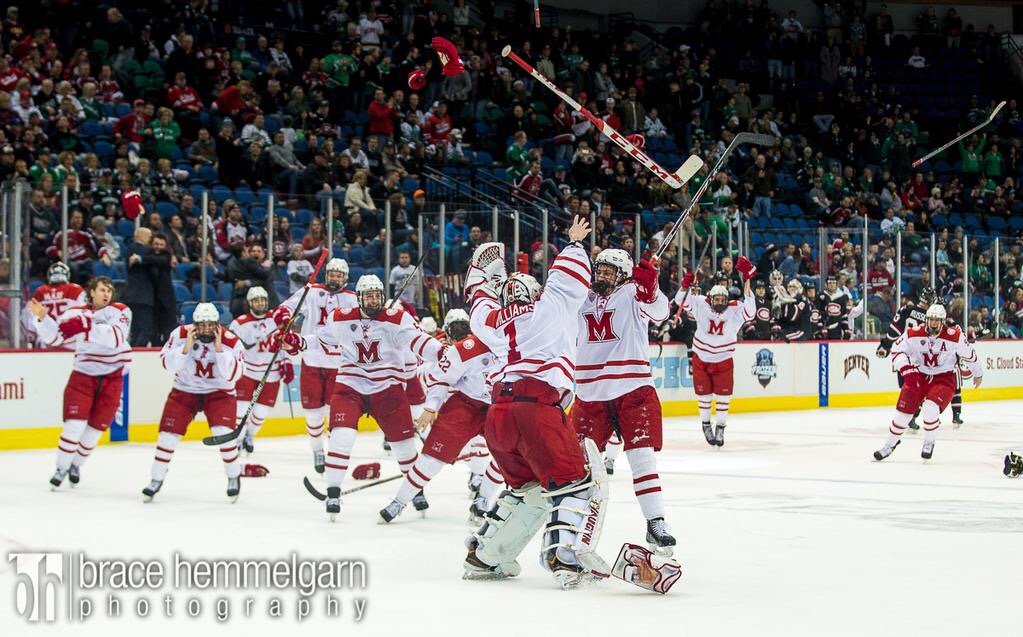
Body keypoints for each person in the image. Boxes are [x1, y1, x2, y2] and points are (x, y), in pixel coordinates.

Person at [462, 217, 611, 588]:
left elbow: (475, 297)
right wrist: (575, 243)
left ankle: (485, 555)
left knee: (526, 489)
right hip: (536, 408)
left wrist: (483, 276)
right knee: (573, 484)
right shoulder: (550, 306)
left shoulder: (492, 320)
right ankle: (563, 556)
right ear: (534, 292)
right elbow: (568, 277)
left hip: (497, 417)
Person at [278, 274, 444, 521]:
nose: (374, 299)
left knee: (404, 446)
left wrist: (444, 352)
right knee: (340, 438)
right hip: (350, 386)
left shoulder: (397, 319)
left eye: (377, 295)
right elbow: (321, 340)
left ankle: (415, 490)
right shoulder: (341, 318)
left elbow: (420, 342)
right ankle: (333, 492)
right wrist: (299, 342)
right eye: (369, 295)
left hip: (387, 389)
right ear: (359, 298)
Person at [569, 249, 675, 555]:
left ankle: (655, 522)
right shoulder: (581, 297)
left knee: (642, 457)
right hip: (589, 394)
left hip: (632, 388)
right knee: (577, 466)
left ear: (623, 275)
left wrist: (650, 288)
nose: (601, 275)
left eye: (609, 271)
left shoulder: (632, 293)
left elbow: (660, 311)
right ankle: (570, 531)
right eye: (599, 269)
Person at [379, 309, 505, 524]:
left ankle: (482, 499)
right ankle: (399, 502)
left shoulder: (515, 343)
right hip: (466, 405)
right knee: (432, 459)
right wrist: (430, 408)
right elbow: (438, 379)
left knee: (509, 454)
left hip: (501, 405)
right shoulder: (463, 350)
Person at [27, 277, 131, 488]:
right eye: (102, 289)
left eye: (109, 290)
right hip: (83, 374)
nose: (106, 294)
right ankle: (61, 468)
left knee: (95, 429)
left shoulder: (120, 311)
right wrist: (43, 319)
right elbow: (56, 339)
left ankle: (76, 464)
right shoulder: (73, 313)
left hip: (113, 376)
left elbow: (116, 339)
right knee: (73, 425)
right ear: (91, 292)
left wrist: (87, 326)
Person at [145, 303, 246, 502]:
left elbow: (233, 375)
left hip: (219, 392)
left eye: (210, 324)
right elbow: (167, 364)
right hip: (185, 389)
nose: (206, 329)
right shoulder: (180, 334)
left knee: (223, 434)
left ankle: (233, 475)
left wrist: (219, 350)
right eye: (202, 324)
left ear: (217, 324)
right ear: (195, 324)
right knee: (167, 436)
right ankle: (156, 478)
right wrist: (185, 348)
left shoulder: (230, 341)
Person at [873, 304, 982, 462]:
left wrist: (978, 373)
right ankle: (889, 445)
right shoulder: (914, 333)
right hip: (918, 376)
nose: (933, 323)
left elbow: (969, 355)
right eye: (930, 319)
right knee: (902, 415)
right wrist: (907, 370)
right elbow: (897, 350)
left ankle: (929, 442)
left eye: (937, 320)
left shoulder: (954, 335)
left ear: (943, 322)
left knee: (931, 409)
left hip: (944, 378)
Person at [278, 258, 358, 473]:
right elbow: (285, 307)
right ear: (326, 275)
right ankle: (317, 451)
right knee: (313, 413)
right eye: (332, 273)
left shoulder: (352, 299)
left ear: (345, 278)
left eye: (339, 275)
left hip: (339, 365)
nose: (335, 278)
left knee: (335, 413)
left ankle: (333, 453)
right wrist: (285, 317)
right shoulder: (311, 292)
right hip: (312, 360)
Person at [675, 256, 757, 446]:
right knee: (703, 395)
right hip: (701, 356)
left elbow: (751, 312)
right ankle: (705, 424)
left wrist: (747, 281)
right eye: (717, 298)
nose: (720, 302)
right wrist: (684, 286)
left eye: (722, 299)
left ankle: (720, 427)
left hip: (724, 358)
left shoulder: (735, 309)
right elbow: (680, 301)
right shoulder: (701, 303)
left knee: (723, 395)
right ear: (710, 298)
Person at [228, 286, 293, 454]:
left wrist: (287, 363)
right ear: (250, 303)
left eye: (263, 300)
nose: (260, 303)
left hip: (271, 373)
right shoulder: (239, 323)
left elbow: (286, 343)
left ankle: (250, 435)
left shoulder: (277, 320)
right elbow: (232, 349)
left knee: (260, 413)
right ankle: (238, 440)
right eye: (256, 300)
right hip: (247, 372)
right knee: (241, 410)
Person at [876, 287, 936, 429]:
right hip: (920, 356)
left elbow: (894, 331)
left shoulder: (907, 309)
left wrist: (885, 345)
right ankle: (911, 415)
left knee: (906, 386)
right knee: (920, 387)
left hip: (903, 354)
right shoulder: (931, 316)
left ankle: (906, 415)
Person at [22, 262, 86, 345]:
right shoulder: (75, 289)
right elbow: (86, 313)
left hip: (45, 340)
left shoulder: (40, 291)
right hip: (71, 339)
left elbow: (28, 317)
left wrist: (31, 336)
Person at [123, 226, 157, 346]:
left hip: (131, 295)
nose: (151, 239)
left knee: (137, 329)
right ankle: (136, 353)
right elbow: (155, 258)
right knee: (146, 329)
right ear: (140, 236)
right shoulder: (142, 251)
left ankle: (132, 351)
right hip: (142, 296)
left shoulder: (130, 250)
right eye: (149, 236)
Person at [820, 275, 851, 339]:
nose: (832, 285)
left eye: (834, 283)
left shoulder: (841, 297)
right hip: (823, 331)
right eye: (830, 283)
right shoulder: (821, 296)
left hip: (837, 331)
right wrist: (820, 327)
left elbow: (843, 315)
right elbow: (818, 313)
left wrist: (846, 328)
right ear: (826, 284)